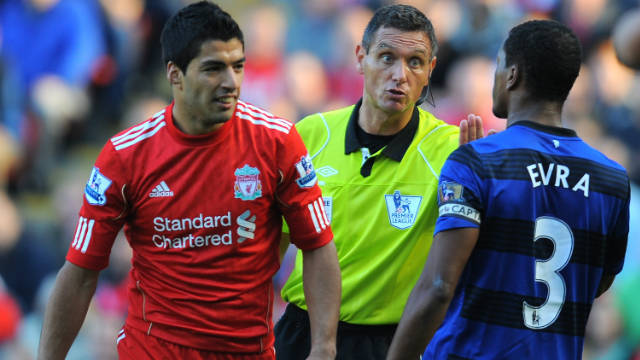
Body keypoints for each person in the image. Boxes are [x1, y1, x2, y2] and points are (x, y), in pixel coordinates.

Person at [37, 2, 341, 359]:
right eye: (213, 69)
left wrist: (323, 346)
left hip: (246, 351)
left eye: (238, 66)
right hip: (152, 350)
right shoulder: (125, 156)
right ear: (174, 74)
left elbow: (318, 245)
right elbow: (80, 272)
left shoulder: (277, 142)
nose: (231, 82)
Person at [387, 19, 630, 359]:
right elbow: (598, 281)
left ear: (512, 76)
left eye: (498, 66)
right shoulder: (612, 180)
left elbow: (439, 287)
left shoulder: (478, 162)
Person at [274, 5, 486, 359]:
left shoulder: (455, 151)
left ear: (430, 70)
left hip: (392, 344)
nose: (399, 75)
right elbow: (272, 248)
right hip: (302, 336)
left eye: (415, 62)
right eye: (386, 57)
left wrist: (482, 190)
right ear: (360, 58)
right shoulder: (310, 134)